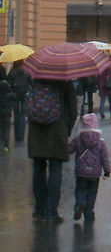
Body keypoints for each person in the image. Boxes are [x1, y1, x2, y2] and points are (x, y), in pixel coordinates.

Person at [28, 79, 78, 222]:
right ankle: (51, 212)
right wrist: (66, 130)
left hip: (36, 131)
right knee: (55, 170)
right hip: (57, 130)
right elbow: (73, 110)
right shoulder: (65, 80)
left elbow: (30, 105)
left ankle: (39, 210)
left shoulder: (36, 79)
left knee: (38, 170)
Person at [68, 112, 110, 222]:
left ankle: (80, 203)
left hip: (81, 171)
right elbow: (104, 158)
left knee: (80, 189)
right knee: (92, 193)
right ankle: (89, 213)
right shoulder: (100, 142)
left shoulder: (78, 139)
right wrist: (107, 171)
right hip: (95, 173)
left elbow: (70, 150)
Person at [8, 60, 31, 142]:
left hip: (15, 95)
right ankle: (21, 135)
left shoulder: (12, 72)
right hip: (24, 95)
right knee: (22, 115)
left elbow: (9, 84)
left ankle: (17, 135)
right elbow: (30, 82)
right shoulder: (26, 72)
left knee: (17, 115)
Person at [0, 79, 12, 152]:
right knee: (7, 131)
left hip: (0, 114)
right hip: (7, 115)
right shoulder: (10, 95)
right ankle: (6, 146)